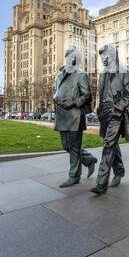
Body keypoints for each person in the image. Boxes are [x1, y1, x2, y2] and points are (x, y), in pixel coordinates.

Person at [91, 44, 129, 195]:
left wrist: (119, 107)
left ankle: (101, 183)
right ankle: (120, 170)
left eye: (105, 55)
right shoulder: (103, 73)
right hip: (104, 113)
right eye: (101, 56)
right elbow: (102, 93)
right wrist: (98, 109)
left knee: (108, 144)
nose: (102, 58)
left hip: (116, 113)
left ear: (113, 55)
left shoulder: (123, 71)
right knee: (112, 144)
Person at [53, 48, 97, 187]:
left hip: (75, 115)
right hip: (62, 114)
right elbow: (57, 91)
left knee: (74, 147)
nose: (68, 59)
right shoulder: (59, 76)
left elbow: (87, 95)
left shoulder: (81, 75)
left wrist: (73, 102)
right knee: (66, 146)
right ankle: (89, 160)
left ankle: (74, 176)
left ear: (76, 60)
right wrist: (55, 97)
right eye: (67, 57)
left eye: (72, 58)